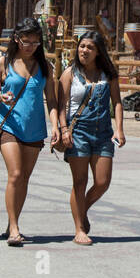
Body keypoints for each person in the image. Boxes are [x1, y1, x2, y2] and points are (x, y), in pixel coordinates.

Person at [0, 17, 59, 246]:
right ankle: (15, 229)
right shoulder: (3, 62)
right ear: (16, 39)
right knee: (15, 174)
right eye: (26, 41)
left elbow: (52, 100)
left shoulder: (45, 66)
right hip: (9, 126)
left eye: (36, 42)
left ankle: (11, 221)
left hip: (34, 129)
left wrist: (55, 125)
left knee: (24, 179)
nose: (30, 46)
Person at [57, 30, 125, 246]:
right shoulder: (70, 73)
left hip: (103, 133)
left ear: (98, 52)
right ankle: (79, 229)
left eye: (90, 47)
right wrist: (64, 129)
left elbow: (117, 102)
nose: (84, 50)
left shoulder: (108, 74)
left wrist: (119, 129)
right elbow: (61, 105)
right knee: (80, 181)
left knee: (103, 182)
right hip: (78, 133)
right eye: (82, 46)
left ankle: (81, 208)